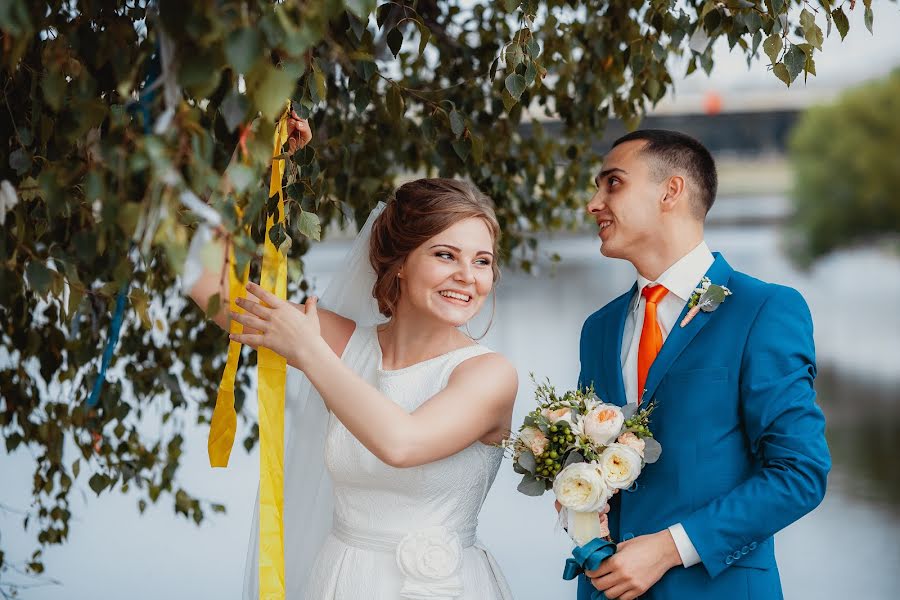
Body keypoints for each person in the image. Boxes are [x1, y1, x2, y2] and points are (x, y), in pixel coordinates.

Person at [189, 162, 516, 596]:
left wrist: (310, 352)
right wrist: (258, 157)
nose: (467, 277)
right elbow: (206, 282)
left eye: (482, 262)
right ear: (399, 263)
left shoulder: (489, 375)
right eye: (445, 255)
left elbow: (402, 443)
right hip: (343, 580)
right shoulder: (346, 345)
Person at [574, 129, 830, 600]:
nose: (594, 202)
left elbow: (800, 473)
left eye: (612, 183)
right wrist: (579, 498)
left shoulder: (763, 310)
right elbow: (593, 463)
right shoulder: (598, 328)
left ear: (671, 191)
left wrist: (670, 548)